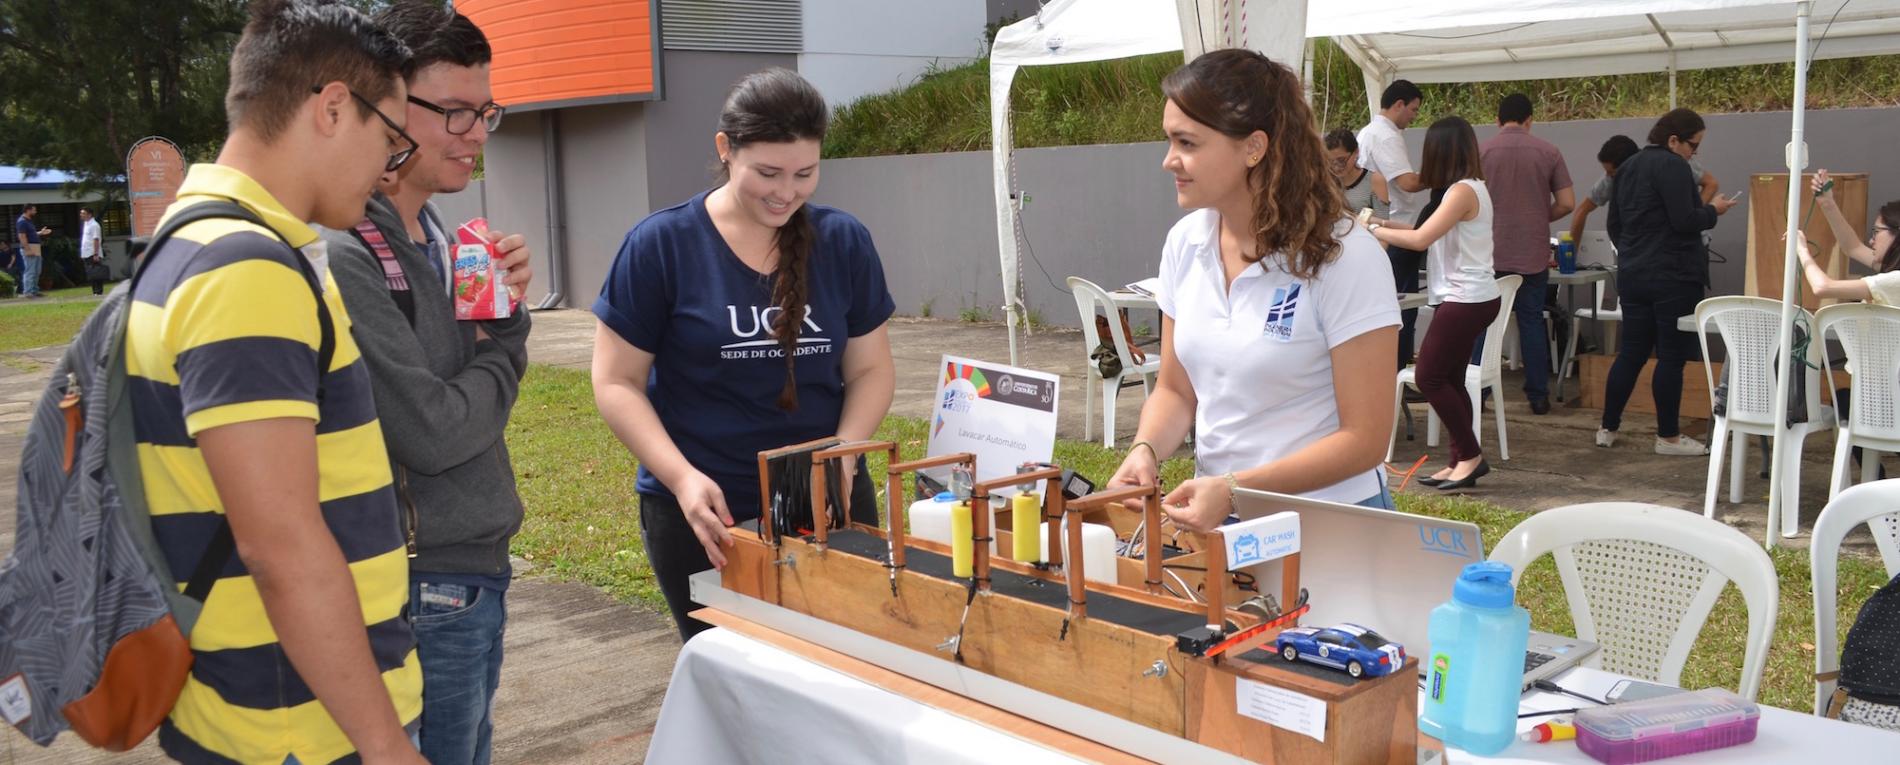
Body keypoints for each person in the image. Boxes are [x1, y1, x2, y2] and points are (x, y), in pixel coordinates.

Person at [125, 2, 425, 763]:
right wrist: (384, 744)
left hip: (258, 707)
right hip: (300, 727)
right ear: (331, 107)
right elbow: (281, 548)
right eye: (390, 141)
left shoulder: (190, 241)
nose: (390, 171)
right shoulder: (244, 269)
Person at [592, 68, 897, 642]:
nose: (787, 191)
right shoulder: (661, 245)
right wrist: (682, 479)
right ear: (725, 151)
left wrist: (844, 454)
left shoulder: (843, 241)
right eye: (768, 173)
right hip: (706, 511)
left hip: (828, 496)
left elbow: (871, 369)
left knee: (847, 672)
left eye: (805, 173)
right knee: (730, 681)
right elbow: (615, 382)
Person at [317, 4, 528, 762]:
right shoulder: (347, 253)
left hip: (468, 576)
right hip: (427, 586)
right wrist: (507, 340)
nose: (477, 134)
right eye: (457, 112)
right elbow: (434, 431)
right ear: (389, 104)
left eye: (487, 112)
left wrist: (496, 309)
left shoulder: (432, 235)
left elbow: (456, 405)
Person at [1108, 49, 1400, 532]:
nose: (1169, 161)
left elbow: (1365, 438)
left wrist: (1235, 488)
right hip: (1220, 522)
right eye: (1169, 140)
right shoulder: (1186, 243)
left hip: (1330, 522)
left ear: (1254, 147)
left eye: (1187, 142)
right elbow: (1177, 390)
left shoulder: (1346, 256)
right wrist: (1146, 449)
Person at [1599, 108, 1739, 454]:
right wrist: (1714, 211)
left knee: (1630, 353)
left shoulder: (1627, 166)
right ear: (1673, 140)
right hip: (1673, 275)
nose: (1694, 153)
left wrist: (1633, 252)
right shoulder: (1674, 166)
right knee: (1671, 357)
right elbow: (1685, 220)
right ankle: (1668, 436)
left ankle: (1607, 427)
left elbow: (1613, 225)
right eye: (1693, 145)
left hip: (1633, 274)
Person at [1372, 117, 1501, 490]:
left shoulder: (1461, 191)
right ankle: (1460, 459)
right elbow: (1416, 231)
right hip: (1469, 297)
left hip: (1467, 298)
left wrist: (1368, 230)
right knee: (1450, 379)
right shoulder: (1465, 189)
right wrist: (1375, 221)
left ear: (1439, 151)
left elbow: (1420, 241)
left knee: (1429, 376)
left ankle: (1471, 457)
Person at [1356, 80, 1428, 368]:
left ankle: (1389, 370)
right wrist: (1443, 173)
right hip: (1397, 229)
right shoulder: (1386, 137)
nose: (1414, 116)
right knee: (1402, 305)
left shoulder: (1367, 133)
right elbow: (1408, 182)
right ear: (1398, 104)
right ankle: (1397, 371)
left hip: (1375, 227)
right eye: (1413, 109)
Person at [1568, 135, 1719, 243]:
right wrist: (1570, 255)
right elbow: (1582, 210)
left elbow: (1710, 183)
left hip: (1690, 246)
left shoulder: (1672, 163)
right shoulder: (1612, 178)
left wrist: (1692, 213)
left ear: (1627, 166)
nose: (1609, 178)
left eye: (1612, 173)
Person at [1325, 128, 1388, 220]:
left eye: (1341, 160)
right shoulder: (1326, 181)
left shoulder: (1374, 180)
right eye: (1330, 161)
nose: (1336, 167)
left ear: (1356, 152)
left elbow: (1384, 221)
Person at [13, 203, 49, 297]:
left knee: (37, 270)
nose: (35, 212)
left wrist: (41, 233)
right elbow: (22, 236)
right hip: (29, 247)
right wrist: (27, 249)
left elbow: (31, 234)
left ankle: (34, 290)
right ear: (28, 210)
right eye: (34, 210)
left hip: (36, 247)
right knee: (30, 270)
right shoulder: (22, 221)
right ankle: (28, 292)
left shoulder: (29, 221)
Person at [78, 207, 106, 294]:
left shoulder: (94, 225)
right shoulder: (87, 224)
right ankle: (95, 291)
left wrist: (96, 254)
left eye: (83, 213)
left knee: (96, 272)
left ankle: (98, 291)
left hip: (92, 253)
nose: (81, 215)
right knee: (91, 273)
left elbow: (96, 239)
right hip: (86, 253)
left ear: (89, 214)